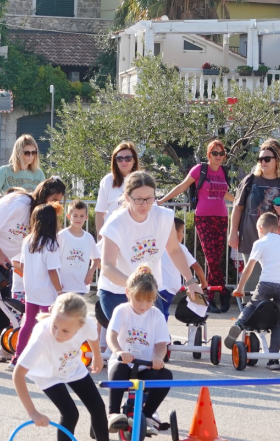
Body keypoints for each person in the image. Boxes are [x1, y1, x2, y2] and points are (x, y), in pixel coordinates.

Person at [12, 293, 126, 441]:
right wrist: (33, 412)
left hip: (71, 367)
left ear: (79, 325)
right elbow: (17, 375)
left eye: (65, 331)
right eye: (55, 326)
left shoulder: (87, 324)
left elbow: (93, 337)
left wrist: (97, 356)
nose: (57, 334)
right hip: (47, 373)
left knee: (98, 407)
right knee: (70, 413)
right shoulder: (42, 336)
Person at [0, 180, 66, 362]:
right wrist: (0, 254)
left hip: (3, 254)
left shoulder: (39, 216)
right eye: (53, 199)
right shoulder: (20, 204)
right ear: (43, 195)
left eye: (59, 201)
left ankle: (5, 343)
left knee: (3, 295)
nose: (54, 204)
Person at [99, 172, 201, 325]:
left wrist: (191, 280)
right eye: (138, 199)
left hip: (149, 290)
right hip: (117, 290)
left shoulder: (164, 217)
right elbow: (107, 266)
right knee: (127, 337)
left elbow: (174, 250)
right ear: (127, 197)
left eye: (149, 198)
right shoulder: (116, 224)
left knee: (154, 338)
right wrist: (133, 284)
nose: (144, 204)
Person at [106, 267, 174, 441]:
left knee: (166, 376)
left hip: (145, 366)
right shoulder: (122, 310)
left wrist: (158, 357)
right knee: (119, 369)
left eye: (149, 301)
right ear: (128, 293)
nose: (143, 306)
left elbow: (161, 344)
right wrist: (119, 351)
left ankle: (147, 415)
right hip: (124, 363)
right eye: (139, 300)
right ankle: (113, 413)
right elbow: (111, 335)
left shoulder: (156, 315)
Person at [158, 139, 233, 294]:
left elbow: (223, 193)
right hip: (203, 218)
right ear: (208, 155)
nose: (218, 156)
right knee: (211, 259)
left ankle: (211, 295)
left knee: (216, 259)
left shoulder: (223, 171)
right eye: (215, 153)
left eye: (221, 153)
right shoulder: (200, 169)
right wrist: (161, 200)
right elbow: (182, 186)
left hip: (222, 217)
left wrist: (241, 201)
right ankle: (220, 292)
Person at [228, 141, 280, 290]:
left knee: (274, 282)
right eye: (260, 159)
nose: (263, 162)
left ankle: (271, 312)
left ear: (277, 161)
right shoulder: (250, 180)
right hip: (251, 239)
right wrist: (233, 233)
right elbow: (238, 208)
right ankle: (249, 311)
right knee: (251, 282)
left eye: (267, 159)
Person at [226, 212, 280, 364]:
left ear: (259, 227)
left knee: (252, 305)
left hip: (267, 282)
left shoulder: (260, 243)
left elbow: (249, 268)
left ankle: (239, 324)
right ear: (277, 229)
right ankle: (274, 361)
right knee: (278, 321)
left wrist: (239, 288)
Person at [12, 204, 62, 361]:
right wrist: (60, 292)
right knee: (48, 326)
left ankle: (18, 356)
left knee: (27, 324)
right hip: (46, 291)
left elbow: (22, 265)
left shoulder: (28, 240)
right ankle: (46, 359)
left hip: (31, 289)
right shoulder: (51, 244)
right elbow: (52, 271)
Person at [156, 217, 207, 320]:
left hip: (157, 287)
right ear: (174, 232)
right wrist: (204, 282)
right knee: (161, 314)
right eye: (182, 231)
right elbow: (196, 266)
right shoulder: (179, 247)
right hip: (169, 287)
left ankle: (160, 332)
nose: (183, 234)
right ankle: (162, 334)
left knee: (158, 313)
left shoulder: (157, 246)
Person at [0, 135, 46, 204]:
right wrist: (11, 201)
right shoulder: (5, 171)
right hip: (10, 212)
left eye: (34, 152)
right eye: (27, 153)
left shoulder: (38, 173)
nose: (31, 156)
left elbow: (44, 199)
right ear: (18, 153)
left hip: (30, 213)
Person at [57, 200, 100, 296]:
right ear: (68, 216)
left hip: (80, 285)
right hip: (63, 286)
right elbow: (54, 259)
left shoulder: (88, 238)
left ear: (86, 217)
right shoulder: (62, 235)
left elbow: (96, 259)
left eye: (82, 216)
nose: (78, 219)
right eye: (75, 216)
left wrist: (90, 273)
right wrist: (56, 282)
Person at [96, 142, 140, 234]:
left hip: (135, 233)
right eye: (119, 159)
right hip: (112, 233)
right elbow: (100, 212)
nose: (123, 162)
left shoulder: (142, 180)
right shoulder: (108, 180)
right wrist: (100, 238)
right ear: (115, 161)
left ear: (134, 160)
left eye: (128, 158)